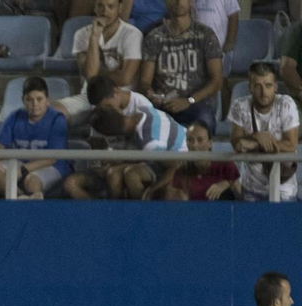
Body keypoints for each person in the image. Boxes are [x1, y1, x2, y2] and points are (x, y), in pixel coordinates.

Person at [56, 0, 142, 131]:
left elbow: (125, 79)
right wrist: (94, 36)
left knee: (106, 117)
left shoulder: (132, 34)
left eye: (110, 6)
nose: (105, 11)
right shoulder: (82, 34)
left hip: (119, 97)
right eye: (100, 6)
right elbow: (90, 76)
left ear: (120, 8)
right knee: (52, 112)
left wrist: (97, 75)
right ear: (95, 8)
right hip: (90, 96)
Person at [140, 0, 223, 133]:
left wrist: (188, 101)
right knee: (143, 123)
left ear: (191, 2)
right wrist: (149, 93)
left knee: (205, 119)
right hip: (163, 104)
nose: (179, 2)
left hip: (197, 104)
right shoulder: (154, 37)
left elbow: (217, 81)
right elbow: (145, 81)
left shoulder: (206, 35)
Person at [0, 76, 68, 199]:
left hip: (52, 166)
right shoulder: (15, 116)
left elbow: (52, 158)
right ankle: (22, 197)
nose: (35, 104)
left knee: (31, 181)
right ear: (23, 100)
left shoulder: (57, 119)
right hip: (20, 162)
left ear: (47, 100)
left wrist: (23, 170)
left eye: (39, 99)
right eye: (29, 100)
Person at [228, 62, 299, 203]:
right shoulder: (240, 106)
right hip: (251, 186)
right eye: (258, 86)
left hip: (283, 188)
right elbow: (236, 141)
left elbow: (291, 145)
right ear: (250, 87)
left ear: (276, 86)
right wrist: (256, 136)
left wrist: (254, 143)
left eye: (268, 85)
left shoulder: (286, 104)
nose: (263, 92)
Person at [88, 101, 187, 197]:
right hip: (162, 157)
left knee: (131, 175)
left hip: (186, 159)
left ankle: (143, 210)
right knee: (113, 174)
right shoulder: (143, 110)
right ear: (119, 111)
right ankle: (117, 212)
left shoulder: (149, 142)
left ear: (110, 134)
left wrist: (151, 191)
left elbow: (176, 166)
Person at [163, 118, 238, 199]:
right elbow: (178, 204)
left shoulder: (225, 164)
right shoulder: (182, 170)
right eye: (190, 140)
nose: (194, 145)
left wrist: (227, 183)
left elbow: (240, 194)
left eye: (200, 140)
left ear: (210, 143)